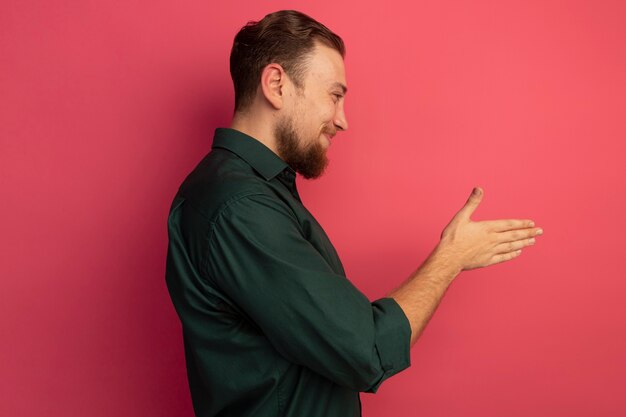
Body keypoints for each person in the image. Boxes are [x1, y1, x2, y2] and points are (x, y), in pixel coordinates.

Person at [165, 9, 543, 417]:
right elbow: (366, 350)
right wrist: (450, 257)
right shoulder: (240, 208)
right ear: (276, 85)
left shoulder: (249, 195)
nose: (342, 121)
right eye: (334, 95)